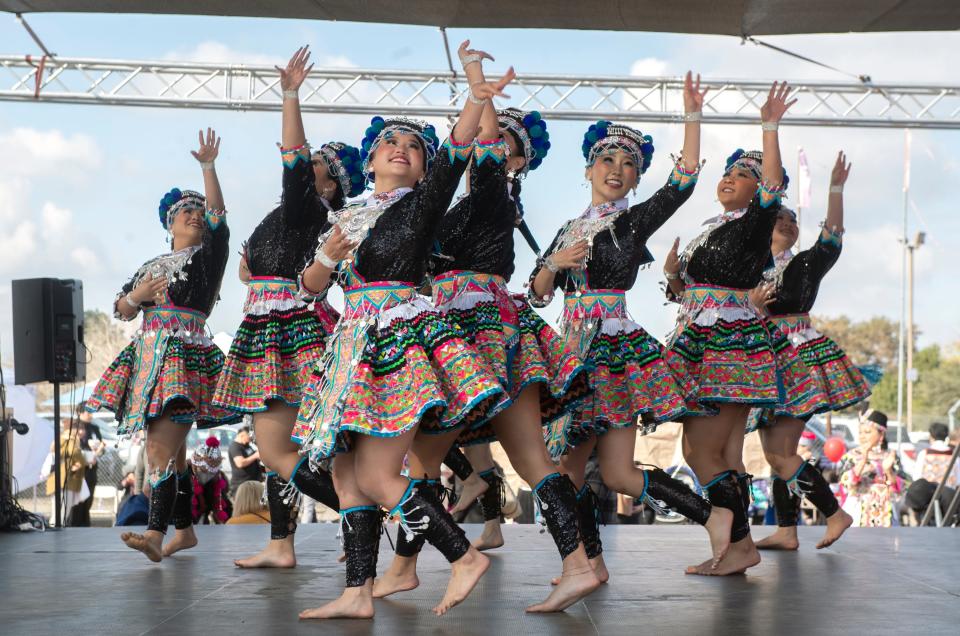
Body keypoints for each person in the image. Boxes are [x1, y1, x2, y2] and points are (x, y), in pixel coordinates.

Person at [292, 39, 515, 619]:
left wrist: (474, 92)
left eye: (415, 146)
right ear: (367, 161)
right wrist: (329, 256)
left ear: (422, 167)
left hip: (395, 341)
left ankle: (463, 555)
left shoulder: (420, 206)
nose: (402, 149)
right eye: (389, 141)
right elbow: (312, 287)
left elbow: (457, 154)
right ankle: (358, 591)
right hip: (349, 348)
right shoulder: (345, 216)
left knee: (375, 474)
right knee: (346, 480)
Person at [375, 75, 604, 611]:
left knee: (421, 464)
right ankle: (578, 565)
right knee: (529, 458)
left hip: (472, 331)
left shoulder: (490, 185)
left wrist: (481, 96)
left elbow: (476, 154)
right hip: (497, 325)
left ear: (517, 159)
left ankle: (406, 568)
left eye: (503, 139)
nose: (491, 140)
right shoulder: (486, 198)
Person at [529, 72, 732, 582]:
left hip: (613, 351)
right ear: (588, 168)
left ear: (637, 179)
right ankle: (589, 562)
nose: (617, 170)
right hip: (569, 350)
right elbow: (537, 292)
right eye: (607, 160)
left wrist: (691, 116)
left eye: (628, 164)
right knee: (567, 469)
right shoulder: (567, 228)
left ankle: (712, 515)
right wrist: (555, 261)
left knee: (618, 472)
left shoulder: (634, 221)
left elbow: (683, 181)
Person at [662, 82, 825, 575]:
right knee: (727, 452)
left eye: (744, 174)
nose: (732, 178)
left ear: (759, 191)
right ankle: (738, 545)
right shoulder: (712, 226)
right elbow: (688, 291)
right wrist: (674, 274)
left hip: (725, 344)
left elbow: (775, 188)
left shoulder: (757, 221)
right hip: (701, 339)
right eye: (729, 171)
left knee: (699, 449)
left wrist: (769, 128)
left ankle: (736, 545)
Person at [217, 46, 365, 569]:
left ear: (329, 185)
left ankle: (365, 515)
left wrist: (290, 94)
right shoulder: (289, 216)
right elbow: (251, 266)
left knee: (278, 450)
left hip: (288, 328)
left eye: (318, 166)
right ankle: (282, 543)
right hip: (272, 324)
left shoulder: (307, 207)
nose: (308, 169)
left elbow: (293, 157)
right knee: (280, 451)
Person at [85, 128, 239, 562]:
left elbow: (220, 217)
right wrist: (137, 297)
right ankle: (185, 529)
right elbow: (121, 307)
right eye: (184, 210)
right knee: (172, 456)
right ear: (169, 223)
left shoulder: (209, 256)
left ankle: (155, 532)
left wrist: (208, 167)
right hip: (149, 358)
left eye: (198, 209)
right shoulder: (150, 266)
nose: (193, 214)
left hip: (183, 358)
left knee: (158, 450)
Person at [748, 152, 867, 551]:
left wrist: (836, 188)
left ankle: (834, 513)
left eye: (792, 219)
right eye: (779, 217)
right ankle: (786, 529)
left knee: (782, 453)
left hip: (796, 360)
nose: (786, 222)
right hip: (762, 361)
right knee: (775, 453)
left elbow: (832, 233)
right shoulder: (747, 268)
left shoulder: (805, 264)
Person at [838, 410, 900, 527]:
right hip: (857, 512)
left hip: (885, 513)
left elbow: (898, 491)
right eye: (860, 432)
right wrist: (862, 461)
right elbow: (846, 484)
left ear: (881, 435)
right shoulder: (851, 456)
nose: (862, 436)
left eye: (867, 432)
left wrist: (888, 471)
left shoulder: (891, 457)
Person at [904, 422, 959, 524]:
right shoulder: (954, 456)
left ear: (931, 436)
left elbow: (917, 477)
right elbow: (957, 482)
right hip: (949, 501)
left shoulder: (924, 453)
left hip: (927, 499)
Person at [46, 418, 87, 526]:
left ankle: (56, 533)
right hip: (64, 479)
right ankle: (55, 535)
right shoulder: (68, 439)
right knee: (61, 512)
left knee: (61, 511)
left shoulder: (64, 439)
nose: (80, 431)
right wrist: (82, 461)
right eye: (77, 428)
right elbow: (72, 453)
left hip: (62, 479)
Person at [70, 405, 106, 527]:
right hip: (78, 470)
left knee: (88, 498)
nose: (90, 415)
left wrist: (99, 451)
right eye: (88, 412)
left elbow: (101, 448)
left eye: (92, 412)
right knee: (77, 500)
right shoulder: (73, 427)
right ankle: (75, 524)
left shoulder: (95, 428)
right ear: (80, 412)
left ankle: (85, 523)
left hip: (91, 470)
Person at [228, 426, 263, 496]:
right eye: (249, 437)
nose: (250, 439)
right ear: (242, 435)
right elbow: (240, 463)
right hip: (241, 485)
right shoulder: (235, 446)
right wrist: (255, 456)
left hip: (252, 482)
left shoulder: (246, 445)